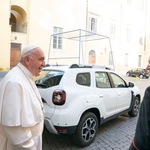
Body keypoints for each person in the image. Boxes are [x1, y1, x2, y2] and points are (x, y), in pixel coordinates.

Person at [0, 44, 45, 150]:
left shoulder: (26, 76)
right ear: (27, 60)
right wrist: (31, 148)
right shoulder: (15, 82)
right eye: (40, 59)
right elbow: (14, 130)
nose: (44, 64)